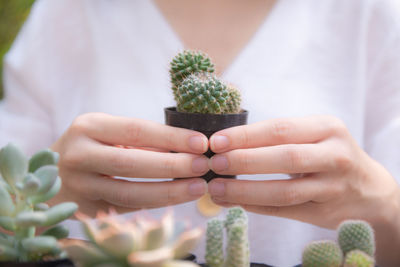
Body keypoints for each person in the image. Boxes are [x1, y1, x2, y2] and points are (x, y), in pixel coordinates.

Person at [1, 0, 400, 266]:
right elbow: (11, 208)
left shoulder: (371, 13)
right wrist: (36, 201)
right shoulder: (66, 12)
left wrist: (384, 206)